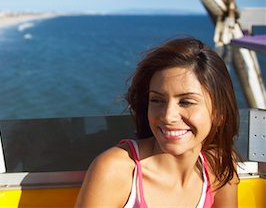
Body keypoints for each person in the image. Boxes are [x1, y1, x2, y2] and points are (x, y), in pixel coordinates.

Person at [75, 37, 239, 208]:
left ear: (218, 114)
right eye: (157, 100)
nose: (168, 116)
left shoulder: (219, 166)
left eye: (186, 102)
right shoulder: (117, 170)